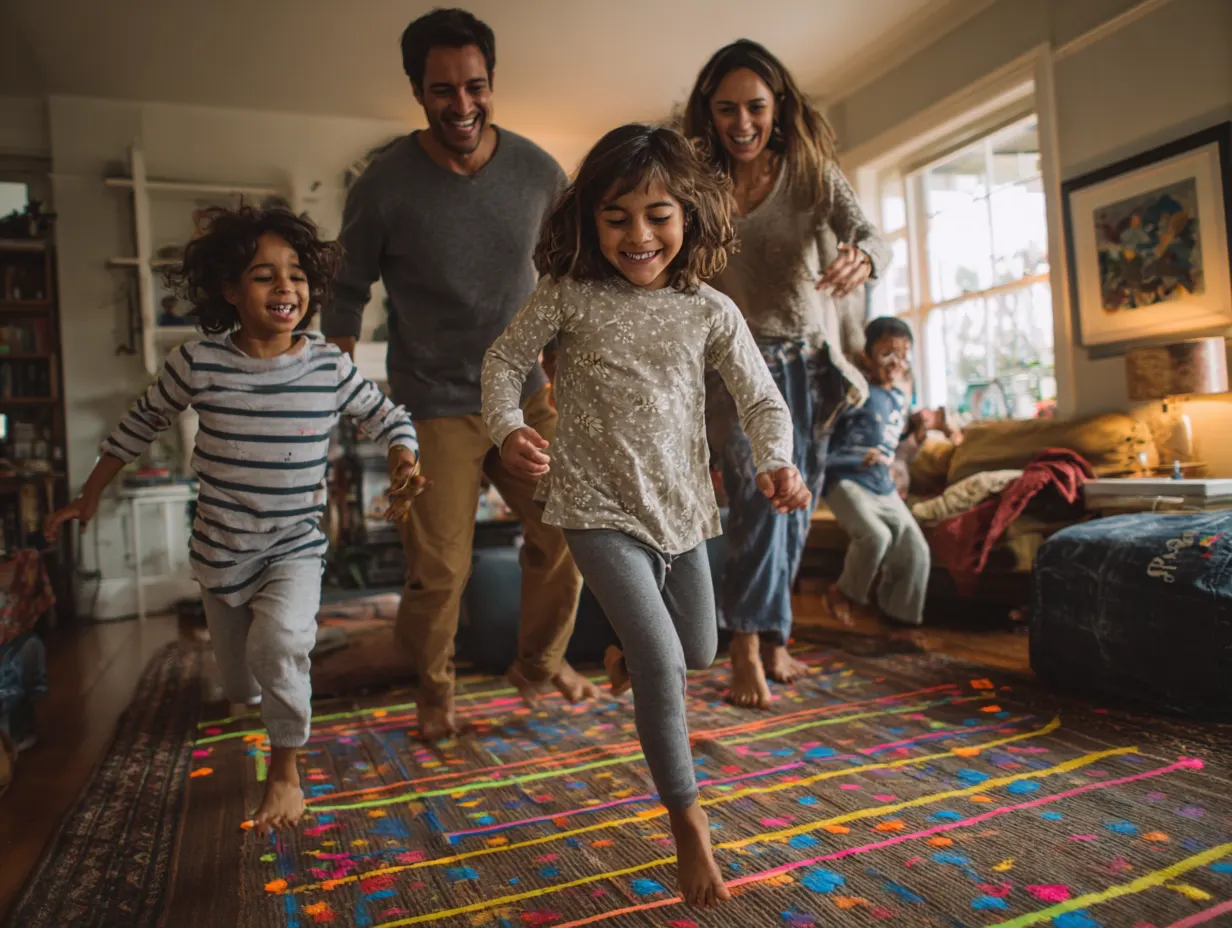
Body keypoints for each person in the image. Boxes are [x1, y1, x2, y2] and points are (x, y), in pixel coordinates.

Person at [482, 124, 810, 908]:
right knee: (667, 661)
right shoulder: (568, 294)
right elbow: (502, 361)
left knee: (696, 649)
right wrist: (509, 427)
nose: (638, 235)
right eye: (617, 216)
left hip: (683, 508)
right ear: (591, 220)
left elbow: (761, 397)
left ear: (689, 214)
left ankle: (631, 658)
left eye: (657, 214)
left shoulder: (709, 309)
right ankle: (689, 824)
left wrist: (776, 459)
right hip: (594, 504)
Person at [44, 207, 423, 832]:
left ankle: (285, 770)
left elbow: (390, 419)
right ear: (228, 289)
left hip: (295, 544)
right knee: (240, 675)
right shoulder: (197, 362)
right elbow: (138, 425)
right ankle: (253, 698)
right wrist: (89, 495)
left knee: (280, 644)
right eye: (263, 276)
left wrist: (404, 458)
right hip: (220, 550)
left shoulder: (329, 364)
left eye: (297, 275)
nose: (285, 289)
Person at [321, 8, 591, 741]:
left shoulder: (538, 173)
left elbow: (572, 274)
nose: (462, 105)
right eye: (444, 90)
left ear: (493, 81)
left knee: (569, 529)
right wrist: (334, 382)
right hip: (432, 402)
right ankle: (434, 690)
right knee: (439, 568)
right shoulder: (384, 184)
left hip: (528, 393)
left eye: (475, 86)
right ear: (417, 91)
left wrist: (569, 366)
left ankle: (538, 665)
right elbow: (345, 289)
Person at [682, 40, 890, 708]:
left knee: (798, 512)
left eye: (756, 108)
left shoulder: (810, 173)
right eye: (726, 109)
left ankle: (777, 636)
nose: (742, 123)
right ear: (707, 113)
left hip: (811, 366)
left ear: (779, 108)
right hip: (736, 366)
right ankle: (744, 642)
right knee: (758, 503)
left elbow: (869, 232)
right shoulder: (696, 183)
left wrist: (864, 258)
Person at [823, 316, 930, 631]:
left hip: (882, 485)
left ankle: (899, 623)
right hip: (845, 478)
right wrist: (855, 455)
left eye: (903, 354)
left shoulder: (899, 397)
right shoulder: (856, 392)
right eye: (887, 354)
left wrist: (920, 434)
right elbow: (824, 437)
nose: (896, 362)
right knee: (875, 536)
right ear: (867, 356)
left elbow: (893, 444)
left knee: (916, 549)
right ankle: (842, 593)